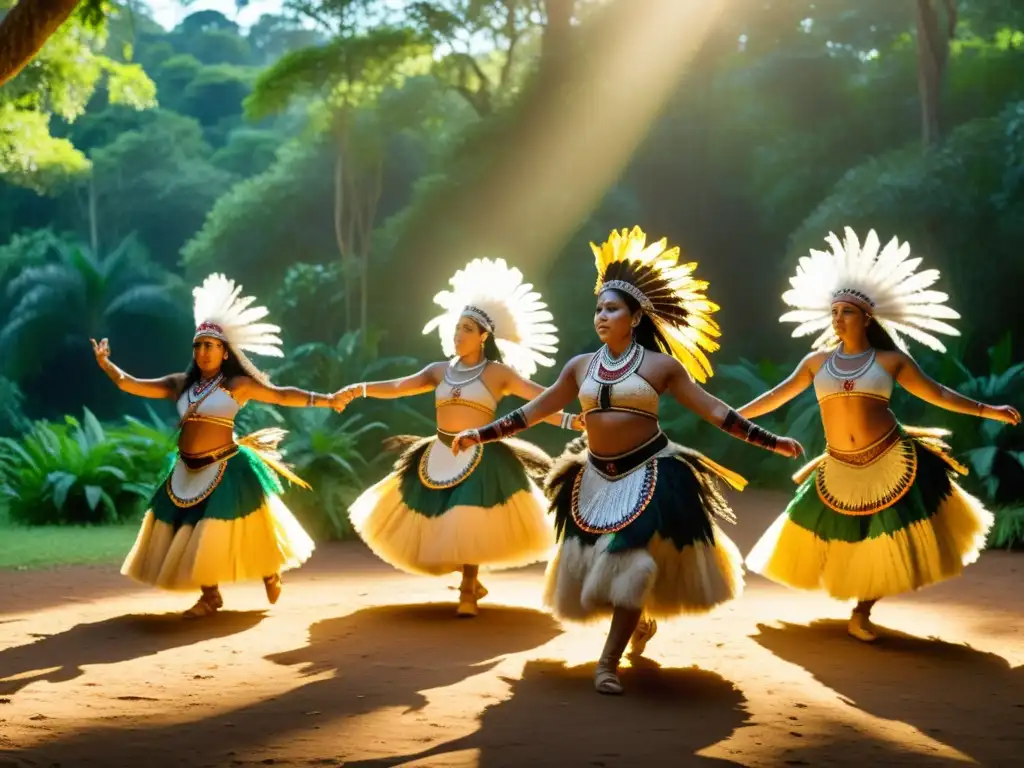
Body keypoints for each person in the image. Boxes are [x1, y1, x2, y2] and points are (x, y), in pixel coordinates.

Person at [450, 227, 803, 694]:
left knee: (632, 561)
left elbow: (716, 411)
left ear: (635, 316)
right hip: (594, 476)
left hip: (653, 473)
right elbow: (535, 410)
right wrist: (481, 432)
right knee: (598, 561)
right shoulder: (579, 367)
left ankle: (607, 663)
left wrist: (770, 441)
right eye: (598, 307)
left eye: (612, 308)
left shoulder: (662, 368)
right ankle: (636, 624)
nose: (601, 315)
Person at [739, 227, 1021, 642]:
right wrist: (727, 416)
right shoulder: (816, 362)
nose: (838, 319)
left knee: (885, 541)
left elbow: (938, 393)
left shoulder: (890, 361)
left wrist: (987, 410)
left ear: (867, 317)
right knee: (828, 531)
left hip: (893, 459)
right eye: (834, 312)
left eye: (847, 312)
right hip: (839, 464)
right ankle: (856, 604)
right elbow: (776, 396)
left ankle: (862, 611)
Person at [333, 258, 583, 617]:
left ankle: (468, 587)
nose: (458, 335)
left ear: (484, 336)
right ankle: (469, 578)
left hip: (483, 456)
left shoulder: (498, 373)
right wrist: (359, 389)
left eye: (466, 329)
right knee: (439, 522)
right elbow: (400, 387)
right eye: (456, 328)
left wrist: (571, 419)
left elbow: (541, 399)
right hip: (439, 451)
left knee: (466, 518)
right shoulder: (438, 370)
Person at [93, 273, 334, 618]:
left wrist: (326, 399)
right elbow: (130, 384)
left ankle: (269, 569)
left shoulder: (238, 385)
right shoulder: (179, 384)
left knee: (237, 527)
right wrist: (106, 365)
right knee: (190, 530)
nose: (203, 352)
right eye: (198, 346)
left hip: (227, 468)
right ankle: (211, 596)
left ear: (224, 353)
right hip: (186, 469)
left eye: (211, 346)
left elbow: (281, 394)